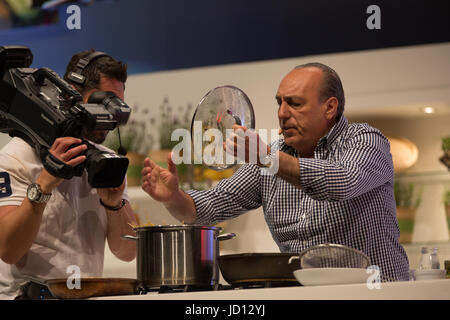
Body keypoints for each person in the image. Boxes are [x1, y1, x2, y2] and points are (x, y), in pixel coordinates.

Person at [141, 62, 410, 282]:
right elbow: (210, 206)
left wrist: (266, 158)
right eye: (279, 102)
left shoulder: (366, 141)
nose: (282, 113)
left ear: (330, 107)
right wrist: (173, 197)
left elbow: (341, 182)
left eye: (295, 103)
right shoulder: (271, 156)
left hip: (375, 292)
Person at [0, 50, 137, 299]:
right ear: (68, 94)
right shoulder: (16, 157)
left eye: (117, 107)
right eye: (103, 102)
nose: (110, 119)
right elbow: (8, 249)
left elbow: (127, 251)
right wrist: (43, 184)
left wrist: (114, 205)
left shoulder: (107, 161)